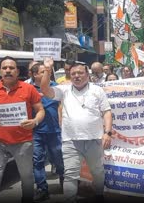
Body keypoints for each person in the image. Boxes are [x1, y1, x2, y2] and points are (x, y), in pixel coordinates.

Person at [40, 58, 113, 202]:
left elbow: (107, 112)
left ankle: (99, 195)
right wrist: (48, 70)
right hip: (70, 141)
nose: (76, 76)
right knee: (70, 174)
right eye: (73, 74)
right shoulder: (64, 90)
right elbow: (45, 89)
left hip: (94, 139)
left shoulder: (97, 90)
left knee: (97, 172)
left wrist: (107, 133)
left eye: (80, 73)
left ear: (88, 75)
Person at [0, 56, 45, 203]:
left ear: (17, 71)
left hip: (23, 142)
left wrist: (34, 121)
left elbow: (41, 110)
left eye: (11, 68)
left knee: (27, 177)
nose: (8, 70)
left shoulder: (29, 89)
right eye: (4, 68)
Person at [30, 63, 65, 202]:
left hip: (54, 130)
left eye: (47, 72)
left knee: (58, 159)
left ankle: (64, 180)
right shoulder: (28, 89)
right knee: (37, 161)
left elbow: (62, 106)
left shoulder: (56, 87)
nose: (46, 74)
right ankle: (42, 189)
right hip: (36, 131)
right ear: (34, 75)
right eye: (43, 72)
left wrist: (62, 124)